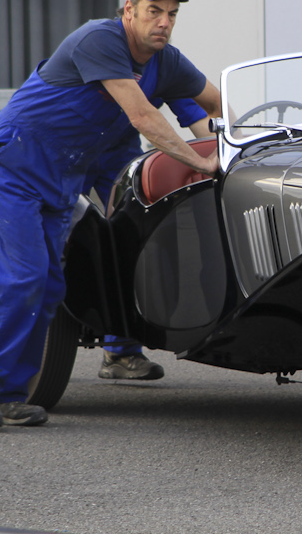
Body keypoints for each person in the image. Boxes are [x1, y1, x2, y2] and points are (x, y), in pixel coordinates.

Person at [0, 0, 220, 428]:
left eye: (172, 14)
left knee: (49, 286)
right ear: (129, 10)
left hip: (63, 175)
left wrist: (230, 147)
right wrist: (199, 161)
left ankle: (13, 394)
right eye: (154, 11)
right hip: (15, 162)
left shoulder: (167, 61)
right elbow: (141, 116)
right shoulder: (99, 40)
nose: (163, 22)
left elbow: (214, 106)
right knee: (23, 277)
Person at [84, 97, 211, 381]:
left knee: (136, 241)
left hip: (119, 153)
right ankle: (32, 343)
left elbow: (202, 114)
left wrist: (227, 152)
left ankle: (121, 351)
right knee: (54, 239)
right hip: (67, 148)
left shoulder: (167, 70)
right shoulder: (89, 65)